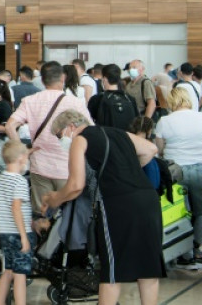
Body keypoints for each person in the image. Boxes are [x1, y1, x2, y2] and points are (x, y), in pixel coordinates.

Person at [43, 110, 163, 305]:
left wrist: (55, 199)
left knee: (112, 270)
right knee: (148, 268)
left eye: (59, 135)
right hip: (148, 198)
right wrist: (127, 172)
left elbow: (75, 186)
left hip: (118, 204)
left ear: (71, 127)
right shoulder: (119, 133)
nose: (60, 140)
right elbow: (151, 149)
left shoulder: (80, 140)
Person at [5, 61, 92, 220]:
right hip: (69, 168)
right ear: (63, 78)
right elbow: (90, 130)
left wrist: (23, 152)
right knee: (67, 218)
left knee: (41, 216)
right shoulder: (75, 102)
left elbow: (10, 126)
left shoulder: (29, 101)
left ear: (42, 80)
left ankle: (42, 235)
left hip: (40, 166)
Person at [153, 86, 202, 264]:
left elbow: (159, 149)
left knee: (181, 212)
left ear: (171, 101)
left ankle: (184, 252)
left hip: (176, 170)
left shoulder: (164, 121)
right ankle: (199, 250)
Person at [0, 141, 35, 305]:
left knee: (8, 270)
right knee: (20, 274)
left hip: (4, 232)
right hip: (18, 233)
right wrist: (24, 236)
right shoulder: (20, 181)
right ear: (20, 158)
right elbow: (16, 207)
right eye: (26, 156)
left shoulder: (1, 178)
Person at [87, 64, 139, 131]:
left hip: (106, 136)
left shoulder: (97, 99)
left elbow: (88, 121)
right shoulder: (130, 99)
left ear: (104, 79)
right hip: (127, 136)